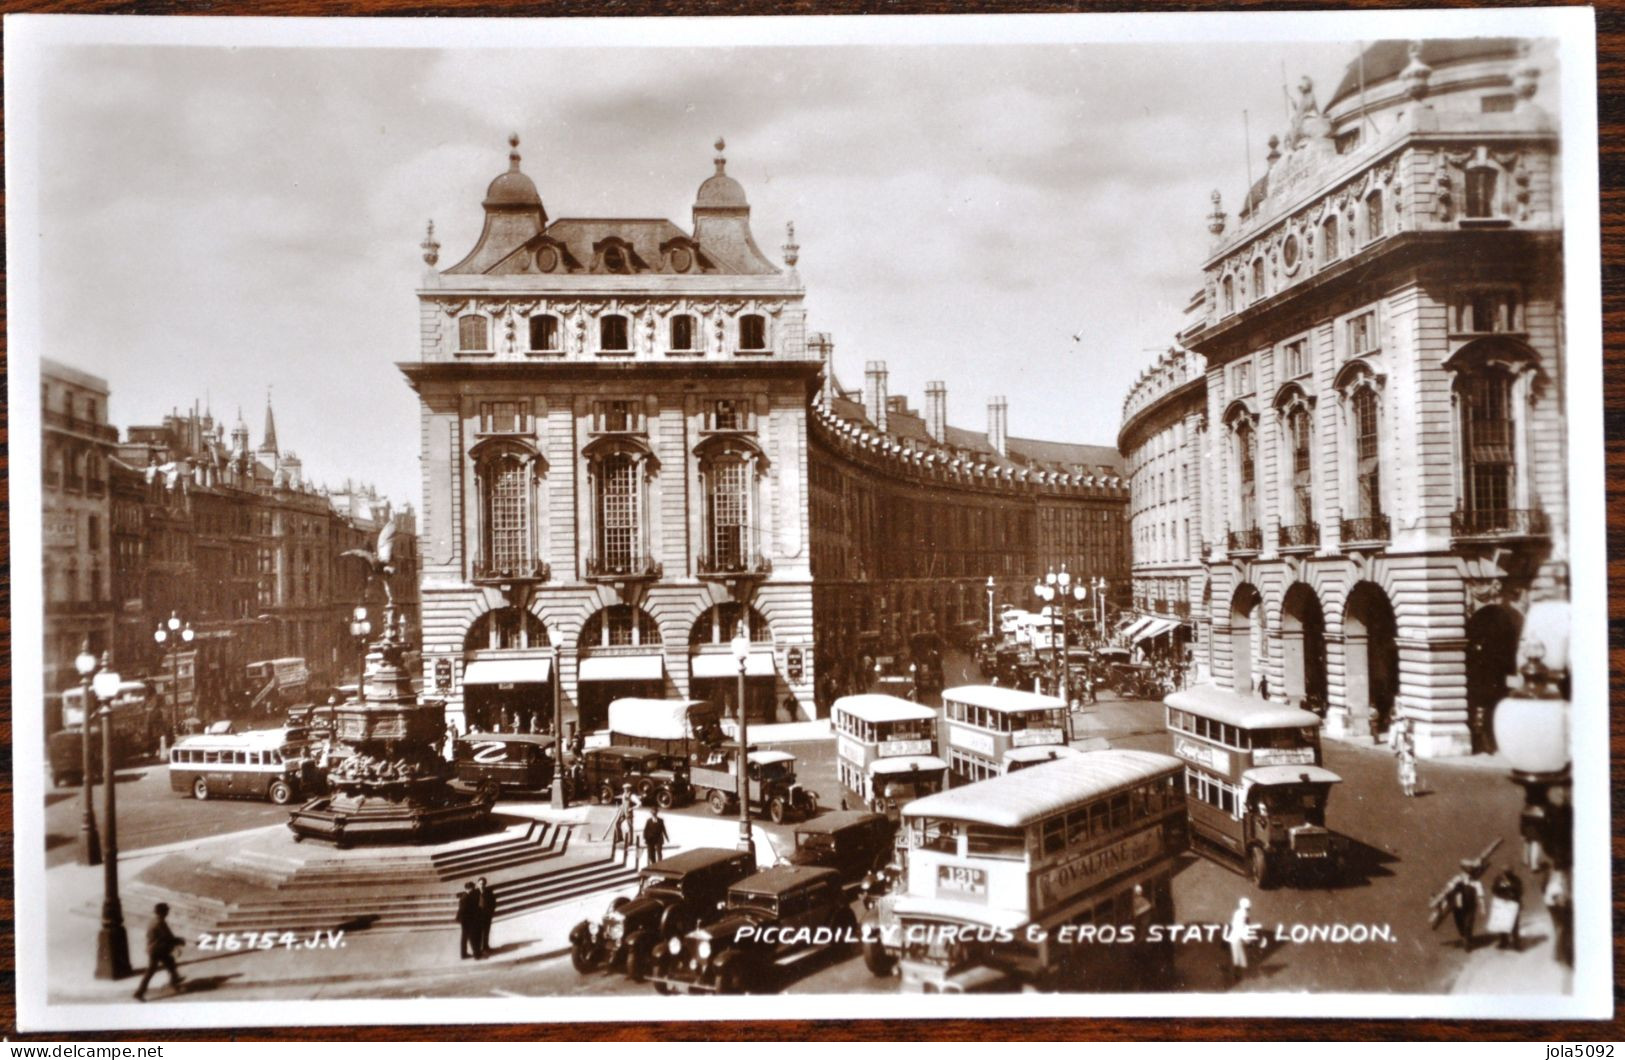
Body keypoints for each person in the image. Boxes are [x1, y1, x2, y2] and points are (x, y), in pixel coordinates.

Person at [133, 902, 184, 1001]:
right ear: (163, 912)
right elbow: (168, 937)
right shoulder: (160, 922)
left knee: (170, 962)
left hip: (154, 948)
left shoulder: (154, 920)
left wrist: (176, 942)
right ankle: (139, 992)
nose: (168, 912)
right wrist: (179, 941)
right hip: (157, 950)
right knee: (151, 971)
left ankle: (174, 981)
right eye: (166, 910)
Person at [1444, 860, 1486, 951]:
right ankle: (1465, 937)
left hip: (1470, 906)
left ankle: (1467, 941)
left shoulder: (1476, 882)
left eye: (1470, 870)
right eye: (1466, 870)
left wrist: (1482, 907)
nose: (1468, 872)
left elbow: (1480, 895)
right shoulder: (1457, 879)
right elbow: (1448, 888)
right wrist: (1452, 886)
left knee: (1468, 924)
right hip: (1458, 907)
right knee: (1460, 924)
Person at [1489, 867, 1523, 951]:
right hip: (1502, 903)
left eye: (1509, 872)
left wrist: (1513, 894)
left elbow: (1520, 890)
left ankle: (1516, 943)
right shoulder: (1499, 879)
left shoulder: (1516, 880)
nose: (1507, 874)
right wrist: (1502, 894)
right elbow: (1494, 889)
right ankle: (1504, 941)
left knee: (1515, 924)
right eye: (1506, 872)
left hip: (1513, 903)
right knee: (1502, 923)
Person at [1226, 897, 1255, 980]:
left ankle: (1238, 973)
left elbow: (1235, 925)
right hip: (1238, 937)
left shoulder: (1238, 913)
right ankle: (1237, 974)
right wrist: (1247, 939)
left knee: (1238, 955)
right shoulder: (1245, 915)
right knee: (1238, 956)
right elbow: (1243, 928)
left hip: (1235, 936)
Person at [456, 881, 481, 959]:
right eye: (472, 889)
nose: (473, 890)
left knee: (464, 937)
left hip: (465, 920)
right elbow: (463, 911)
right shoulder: (465, 898)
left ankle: (463, 954)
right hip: (467, 921)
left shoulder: (465, 895)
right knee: (472, 937)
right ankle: (476, 955)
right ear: (469, 889)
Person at [476, 876, 498, 958]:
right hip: (478, 916)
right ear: (477, 884)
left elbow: (493, 903)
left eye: (483, 884)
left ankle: (486, 946)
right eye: (480, 884)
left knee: (486, 931)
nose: (482, 885)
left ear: (485, 885)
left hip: (487, 916)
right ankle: (479, 948)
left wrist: (491, 912)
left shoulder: (489, 893)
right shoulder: (475, 893)